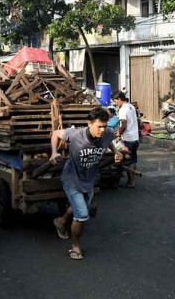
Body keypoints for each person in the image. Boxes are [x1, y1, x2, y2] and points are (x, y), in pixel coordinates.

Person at [50, 107, 122, 260]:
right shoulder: (75, 134)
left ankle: (61, 221)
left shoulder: (107, 133)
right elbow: (55, 134)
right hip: (71, 179)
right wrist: (54, 152)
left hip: (88, 180)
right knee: (82, 214)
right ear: (89, 123)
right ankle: (75, 247)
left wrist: (116, 152)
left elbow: (109, 141)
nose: (102, 130)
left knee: (81, 207)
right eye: (99, 126)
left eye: (104, 126)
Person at [112, 91, 140, 187]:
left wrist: (118, 133)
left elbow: (123, 125)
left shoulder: (123, 109)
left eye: (115, 101)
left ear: (119, 99)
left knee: (128, 160)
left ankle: (131, 182)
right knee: (133, 159)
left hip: (128, 138)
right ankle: (131, 181)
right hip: (135, 137)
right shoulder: (131, 106)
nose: (115, 103)